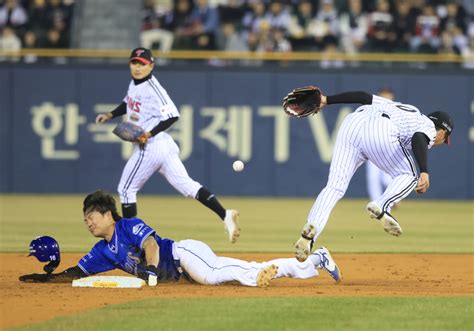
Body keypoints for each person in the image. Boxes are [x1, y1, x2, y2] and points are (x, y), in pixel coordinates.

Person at [19, 190, 342, 287]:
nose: (88, 222)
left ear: (108, 215)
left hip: (183, 254)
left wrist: (149, 269)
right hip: (181, 272)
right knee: (232, 269)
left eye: (92, 215)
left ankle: (257, 277)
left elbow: (150, 245)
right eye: (85, 218)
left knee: (212, 275)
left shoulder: (128, 225)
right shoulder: (102, 251)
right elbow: (76, 274)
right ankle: (316, 260)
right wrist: (43, 278)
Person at [95, 47, 240, 243]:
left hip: (151, 146)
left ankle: (131, 241)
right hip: (163, 146)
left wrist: (149, 133)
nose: (137, 68)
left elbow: (173, 115)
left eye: (142, 64)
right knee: (188, 186)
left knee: (126, 190)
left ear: (151, 66)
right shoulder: (134, 83)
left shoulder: (154, 89)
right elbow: (128, 103)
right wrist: (111, 114)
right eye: (134, 63)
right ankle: (225, 214)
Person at [293, 89, 453, 262]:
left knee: (334, 187)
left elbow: (363, 97)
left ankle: (310, 234)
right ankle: (382, 205)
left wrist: (326, 100)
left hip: (352, 124)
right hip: (380, 129)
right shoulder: (427, 125)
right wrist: (424, 170)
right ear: (443, 131)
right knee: (410, 175)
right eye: (445, 139)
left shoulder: (401, 108)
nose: (442, 142)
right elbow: (419, 138)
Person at [366, 87, 395, 203]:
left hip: (390, 148)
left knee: (388, 178)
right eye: (383, 96)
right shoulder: (371, 109)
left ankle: (391, 200)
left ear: (392, 97)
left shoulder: (397, 109)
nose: (385, 98)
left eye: (387, 95)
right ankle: (376, 202)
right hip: (372, 146)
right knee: (373, 177)